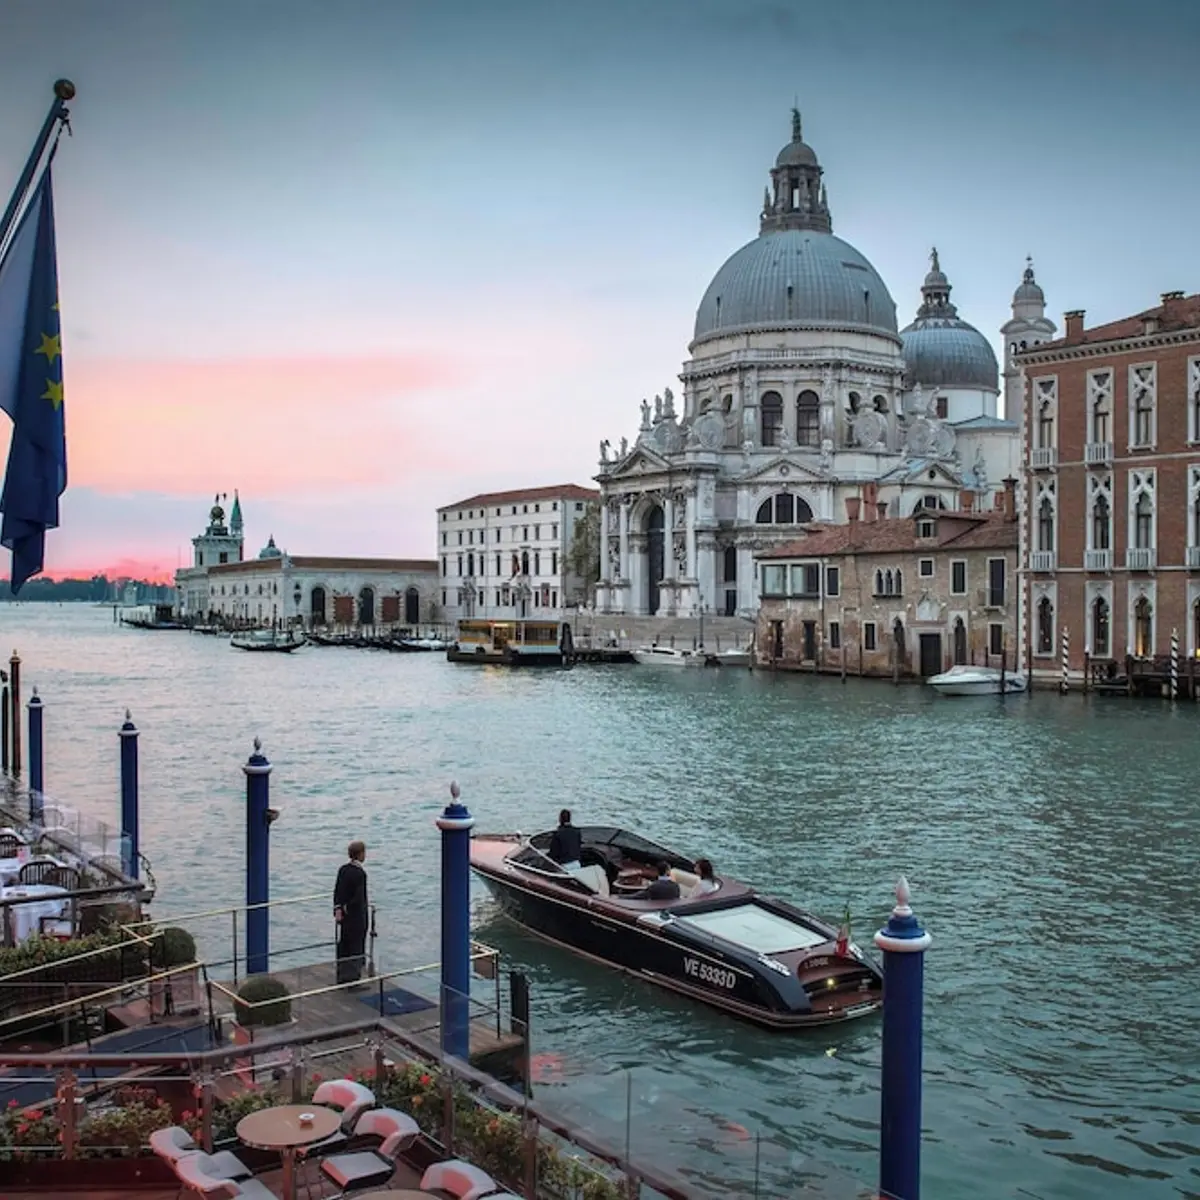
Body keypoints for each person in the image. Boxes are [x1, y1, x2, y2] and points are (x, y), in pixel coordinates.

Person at [334, 840, 369, 984]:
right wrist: (348, 907)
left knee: (345, 944)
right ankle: (354, 978)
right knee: (356, 945)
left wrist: (338, 908)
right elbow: (359, 897)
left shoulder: (343, 869)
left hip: (344, 917)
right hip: (356, 917)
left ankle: (342, 974)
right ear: (360, 854)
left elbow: (337, 891)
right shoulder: (360, 874)